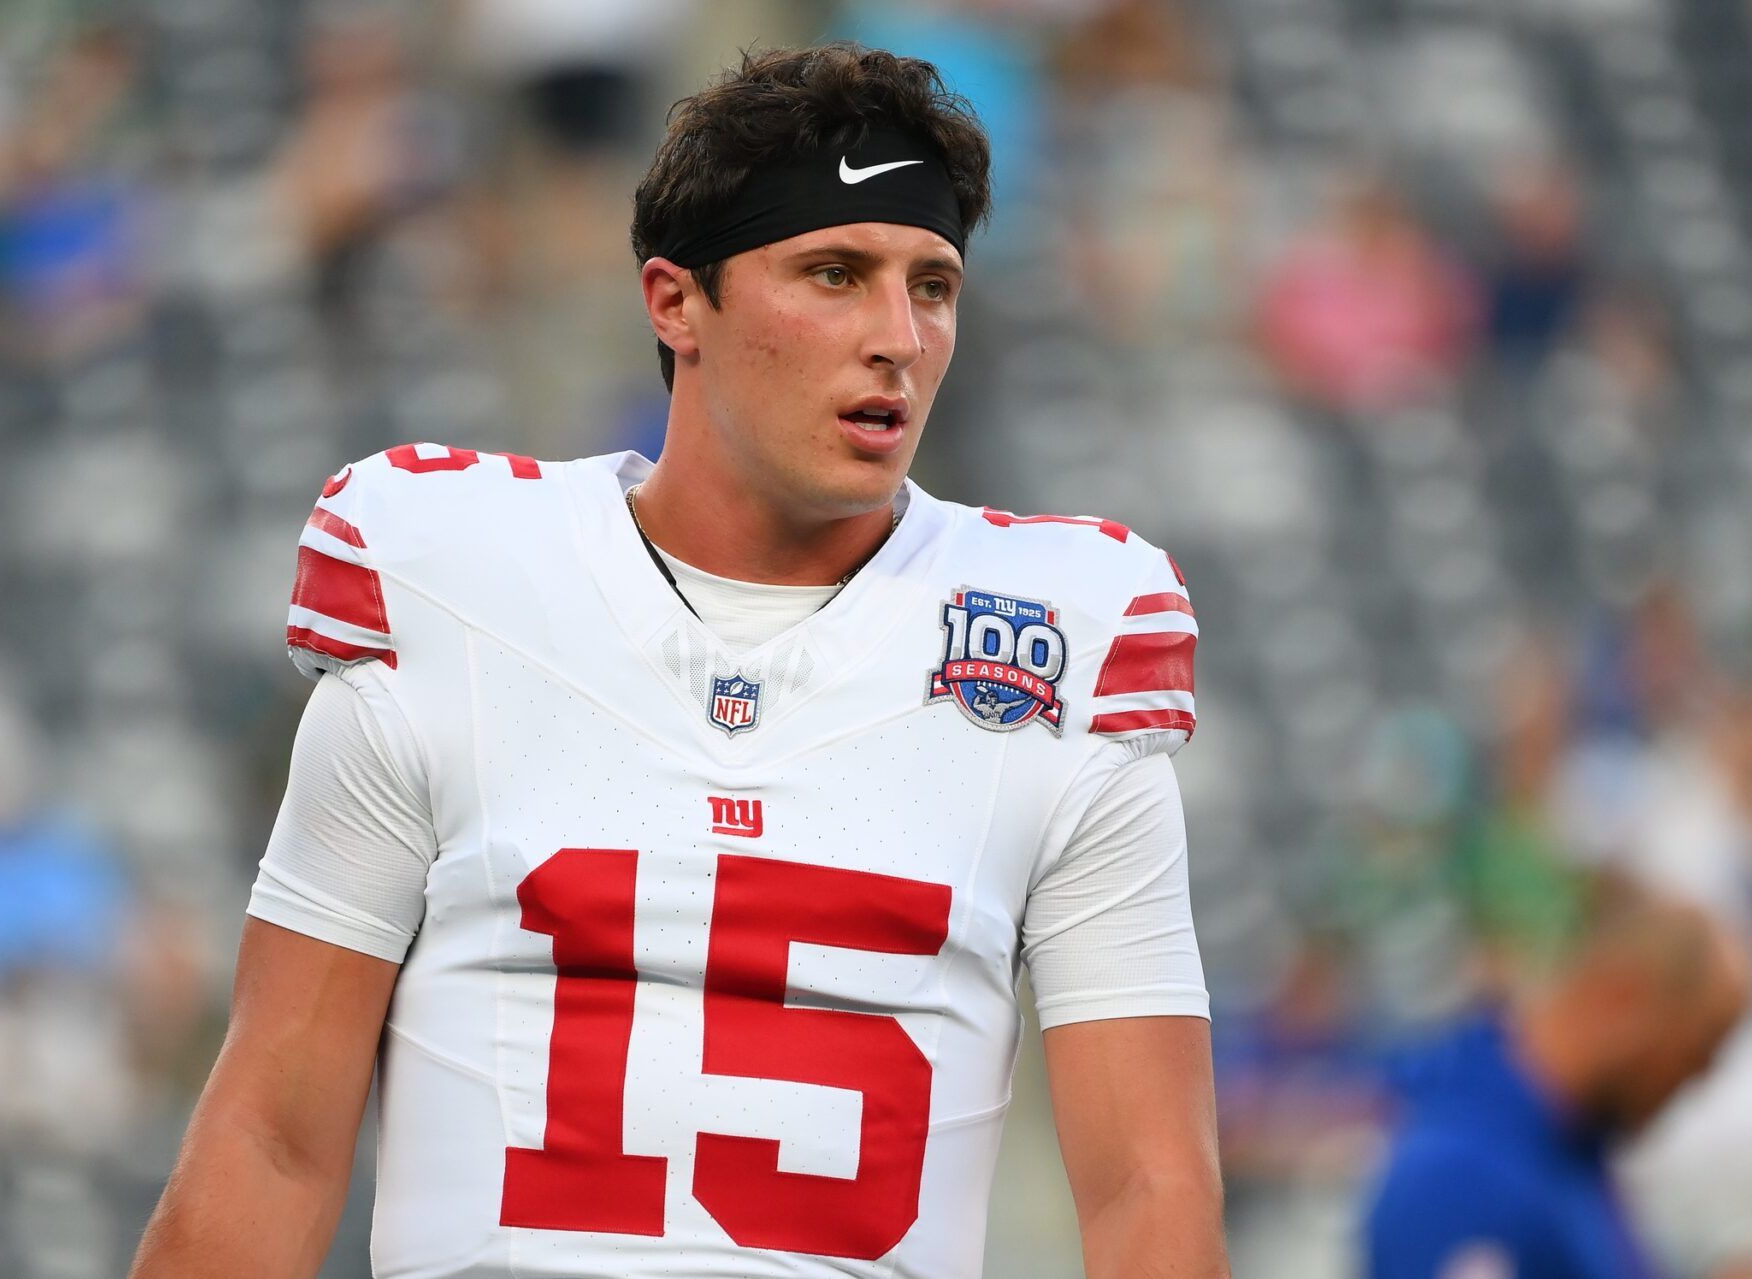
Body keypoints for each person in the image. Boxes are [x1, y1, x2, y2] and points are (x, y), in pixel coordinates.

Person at [131, 42, 1226, 1278]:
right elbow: (274, 1134)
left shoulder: (1059, 639)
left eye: (931, 284)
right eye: (833, 272)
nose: (897, 338)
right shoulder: (454, 585)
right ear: (674, 302)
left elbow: (1150, 1182)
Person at [1363, 871, 1750, 1279]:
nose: (1700, 1077)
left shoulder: (1572, 1151)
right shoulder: (1462, 1177)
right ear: (1623, 1000)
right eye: (1701, 1048)